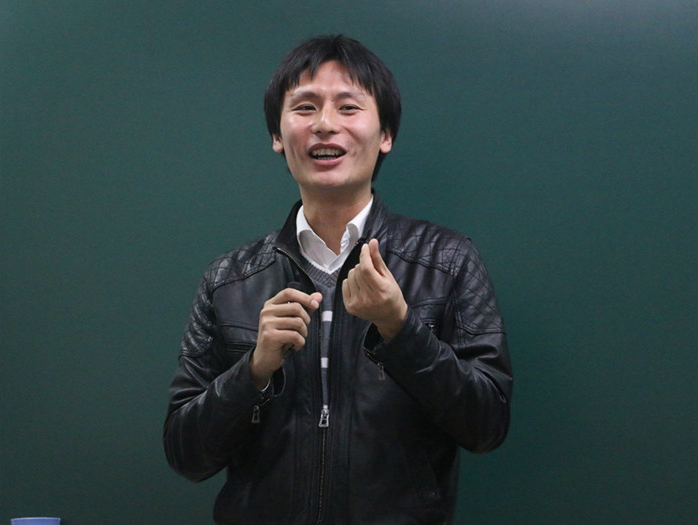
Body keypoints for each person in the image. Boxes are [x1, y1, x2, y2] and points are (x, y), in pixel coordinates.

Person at [164, 34, 512, 524]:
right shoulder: (230, 279)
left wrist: (401, 330)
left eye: (349, 107)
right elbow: (186, 455)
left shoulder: (447, 260)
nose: (325, 125)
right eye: (304, 107)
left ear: (385, 134)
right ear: (278, 135)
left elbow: (487, 426)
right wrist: (254, 370)